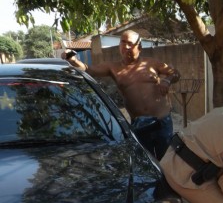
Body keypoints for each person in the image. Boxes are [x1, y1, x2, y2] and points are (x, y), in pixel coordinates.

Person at [62, 30, 180, 159]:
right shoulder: (113, 67)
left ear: (139, 47)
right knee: (146, 163)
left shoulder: (151, 63)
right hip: (140, 124)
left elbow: (175, 73)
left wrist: (167, 80)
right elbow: (88, 69)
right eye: (123, 42)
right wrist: (72, 60)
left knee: (168, 162)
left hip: (162, 121)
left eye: (130, 43)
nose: (126, 46)